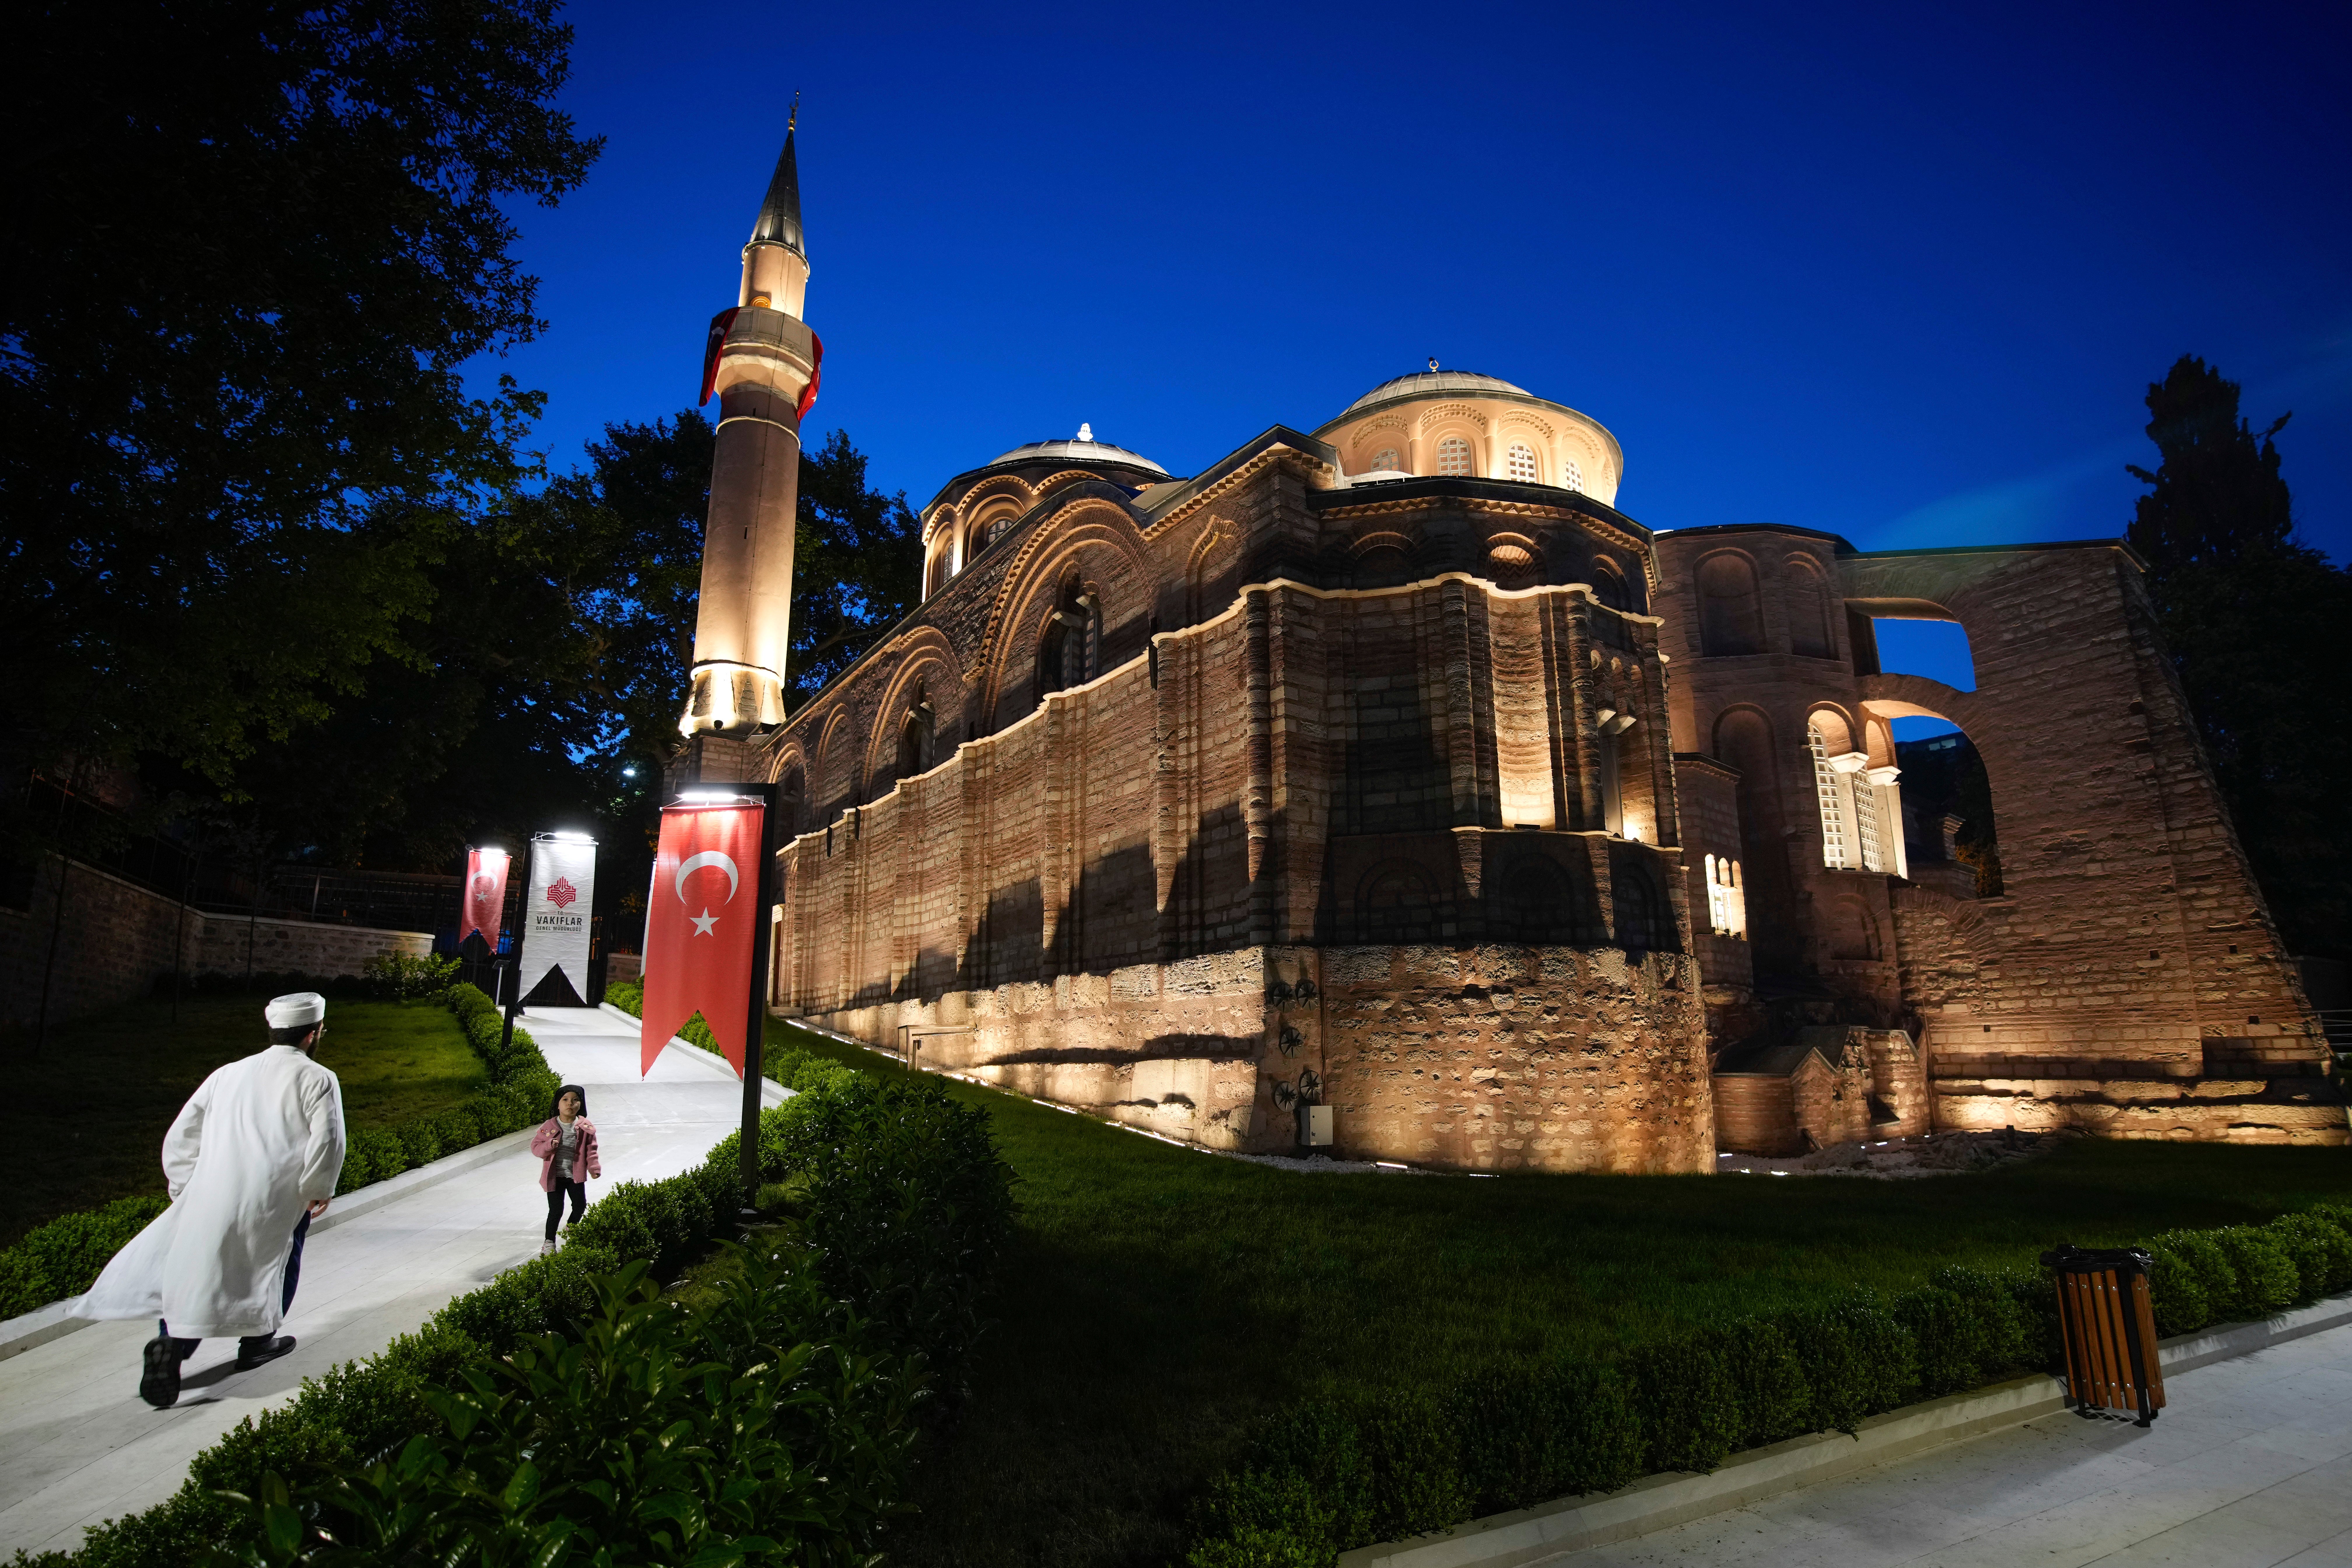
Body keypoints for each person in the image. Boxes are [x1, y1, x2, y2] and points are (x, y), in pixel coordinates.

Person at [76, 991, 346, 1409]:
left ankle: (173, 1345)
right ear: (313, 1034)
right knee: (273, 1266)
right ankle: (258, 1343)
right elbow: (328, 1139)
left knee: (199, 1270)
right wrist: (317, 1189)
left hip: (214, 1188)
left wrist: (185, 1184)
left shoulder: (227, 1073)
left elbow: (184, 1134)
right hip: (274, 1195)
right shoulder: (318, 1078)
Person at [530, 1084, 600, 1254]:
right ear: (558, 1104)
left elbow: (592, 1150)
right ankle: (549, 1243)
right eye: (565, 1100)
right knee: (556, 1210)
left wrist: (594, 1167)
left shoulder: (585, 1127)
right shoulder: (549, 1126)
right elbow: (536, 1149)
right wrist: (549, 1146)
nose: (571, 1104)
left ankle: (572, 1230)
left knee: (580, 1205)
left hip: (574, 1176)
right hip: (555, 1177)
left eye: (576, 1100)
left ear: (581, 1104)